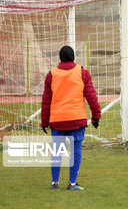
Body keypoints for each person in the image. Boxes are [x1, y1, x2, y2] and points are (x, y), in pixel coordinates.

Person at [41, 46, 101, 190]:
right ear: (74, 57)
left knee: (57, 151)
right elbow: (91, 97)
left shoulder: (51, 74)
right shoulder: (82, 72)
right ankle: (72, 183)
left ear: (60, 58)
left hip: (57, 120)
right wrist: (96, 116)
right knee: (76, 151)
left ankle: (55, 183)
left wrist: (44, 121)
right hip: (77, 119)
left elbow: (46, 101)